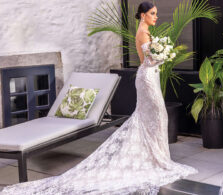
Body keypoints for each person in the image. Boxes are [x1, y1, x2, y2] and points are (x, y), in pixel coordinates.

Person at [1, 2, 197, 194]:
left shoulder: (144, 31)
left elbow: (147, 59)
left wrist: (162, 53)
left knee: (153, 117)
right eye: (153, 13)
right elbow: (150, 60)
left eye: (156, 13)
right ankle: (157, 159)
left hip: (149, 76)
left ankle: (156, 157)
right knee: (157, 115)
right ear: (143, 15)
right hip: (147, 77)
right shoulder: (143, 33)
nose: (156, 16)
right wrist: (164, 55)